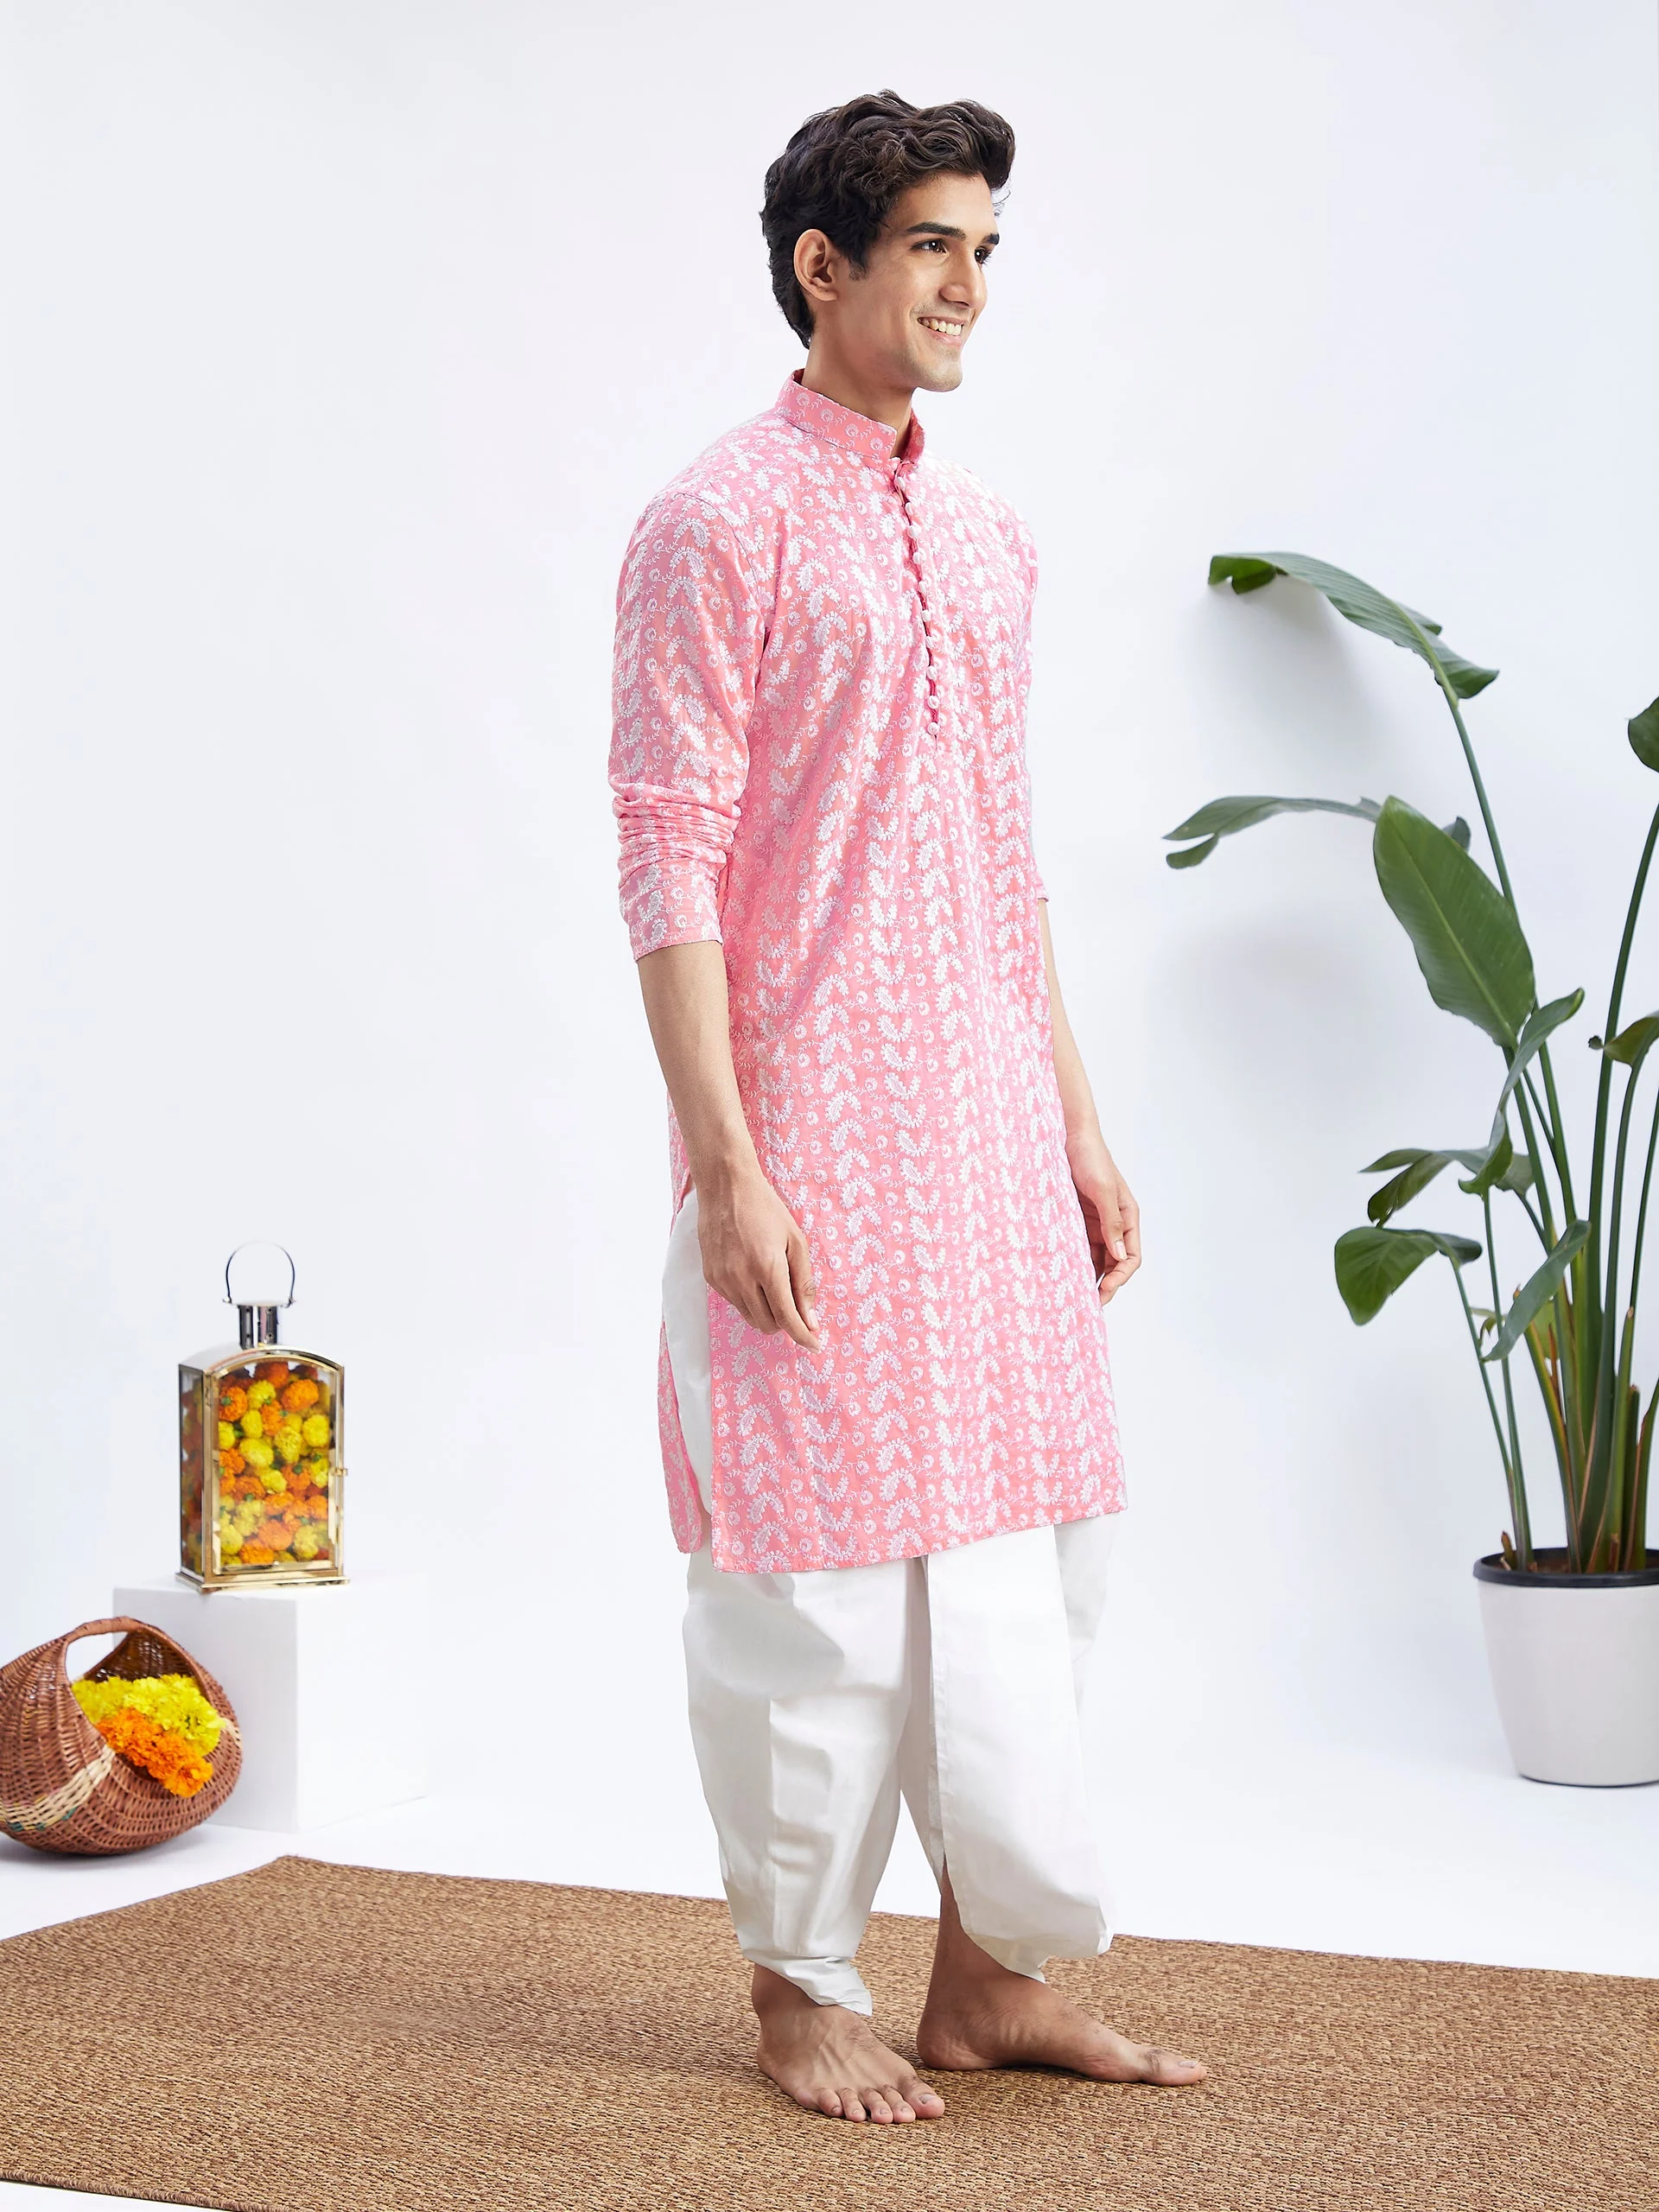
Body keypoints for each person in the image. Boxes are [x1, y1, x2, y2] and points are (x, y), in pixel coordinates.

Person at [609, 90, 1206, 2125]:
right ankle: (800, 1983)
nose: (969, 286)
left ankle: (988, 1976)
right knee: (815, 1573)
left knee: (1030, 1561)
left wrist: (1078, 1123)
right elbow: (669, 853)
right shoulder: (715, 520)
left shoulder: (989, 537)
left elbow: (999, 855)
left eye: (984, 250)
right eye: (934, 245)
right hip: (811, 1128)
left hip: (983, 1129)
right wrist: (727, 1164)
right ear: (823, 265)